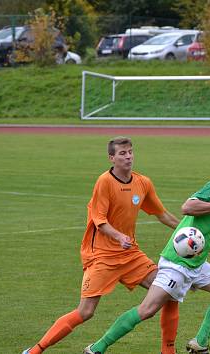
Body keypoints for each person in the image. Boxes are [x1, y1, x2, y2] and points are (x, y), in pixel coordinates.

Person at [83, 155, 210, 354]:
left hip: (196, 260)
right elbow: (188, 207)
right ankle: (97, 348)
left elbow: (202, 223)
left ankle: (200, 343)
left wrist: (207, 241)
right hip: (178, 262)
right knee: (147, 310)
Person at [22, 137, 181, 354]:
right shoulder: (104, 182)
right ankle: (34, 351)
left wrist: (190, 232)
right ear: (112, 158)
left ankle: (168, 351)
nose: (128, 157)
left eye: (130, 152)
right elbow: (100, 221)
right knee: (85, 312)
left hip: (130, 255)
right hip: (102, 257)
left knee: (169, 291)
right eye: (123, 153)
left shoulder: (142, 183)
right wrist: (119, 237)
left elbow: (162, 215)